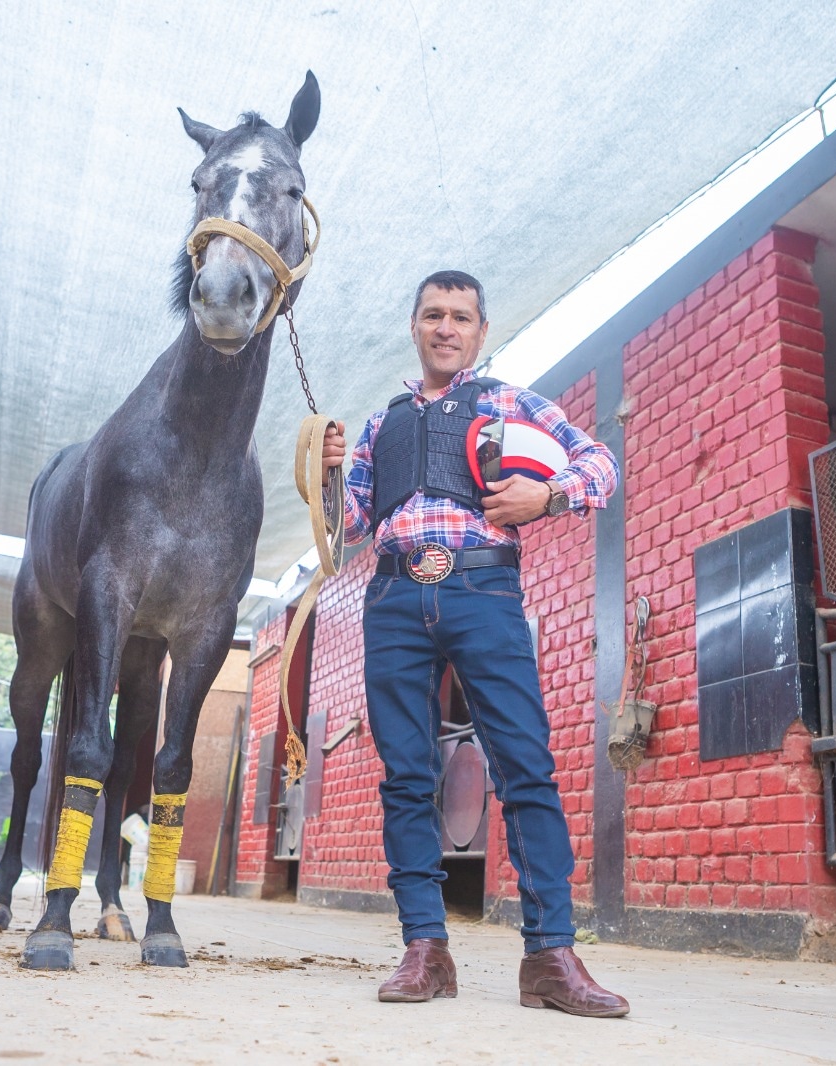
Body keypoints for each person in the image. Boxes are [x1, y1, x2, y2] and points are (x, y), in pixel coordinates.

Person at [320, 269, 627, 1018]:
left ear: (481, 332)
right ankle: (425, 948)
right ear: (416, 327)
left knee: (524, 764)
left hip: (484, 591)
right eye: (433, 314)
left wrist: (546, 496)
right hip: (392, 596)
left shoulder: (510, 403)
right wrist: (329, 476)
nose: (446, 327)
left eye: (461, 316)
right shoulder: (379, 425)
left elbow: (601, 463)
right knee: (405, 774)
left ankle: (550, 956)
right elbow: (348, 527)